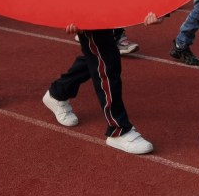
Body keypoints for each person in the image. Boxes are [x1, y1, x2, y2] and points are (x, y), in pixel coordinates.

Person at [42, 19, 162, 155]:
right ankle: (118, 130)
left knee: (99, 56)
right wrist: (73, 15)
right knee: (106, 62)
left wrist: (160, 10)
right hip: (88, 9)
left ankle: (58, 92)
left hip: (108, 9)